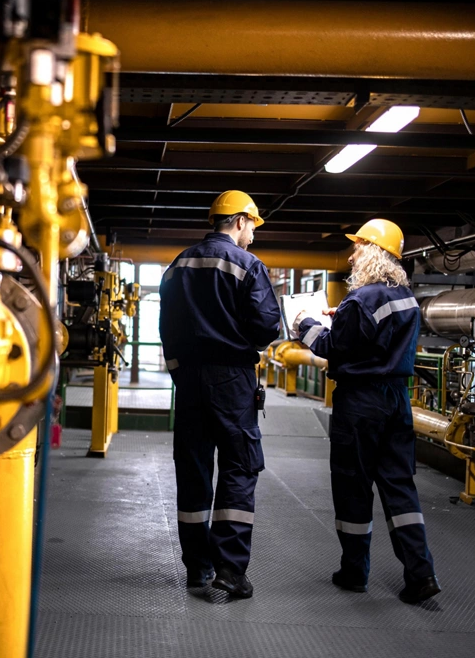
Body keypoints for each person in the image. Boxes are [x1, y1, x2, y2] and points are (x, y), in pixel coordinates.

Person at [293, 218, 441, 604]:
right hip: (396, 400)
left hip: (360, 404)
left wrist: (304, 324)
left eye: (359, 247)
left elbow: (331, 348)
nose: (353, 254)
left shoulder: (363, 299)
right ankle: (421, 573)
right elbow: (373, 336)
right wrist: (342, 317)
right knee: (399, 487)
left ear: (375, 253)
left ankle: (354, 571)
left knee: (352, 485)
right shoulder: (405, 297)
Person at [159, 190, 281, 598]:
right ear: (241, 221)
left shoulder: (178, 265)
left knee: (192, 469)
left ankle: (197, 568)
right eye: (252, 227)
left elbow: (167, 329)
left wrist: (179, 371)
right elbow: (267, 327)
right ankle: (230, 569)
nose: (253, 236)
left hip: (189, 380)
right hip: (232, 379)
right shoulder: (248, 265)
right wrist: (237, 342)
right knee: (239, 467)